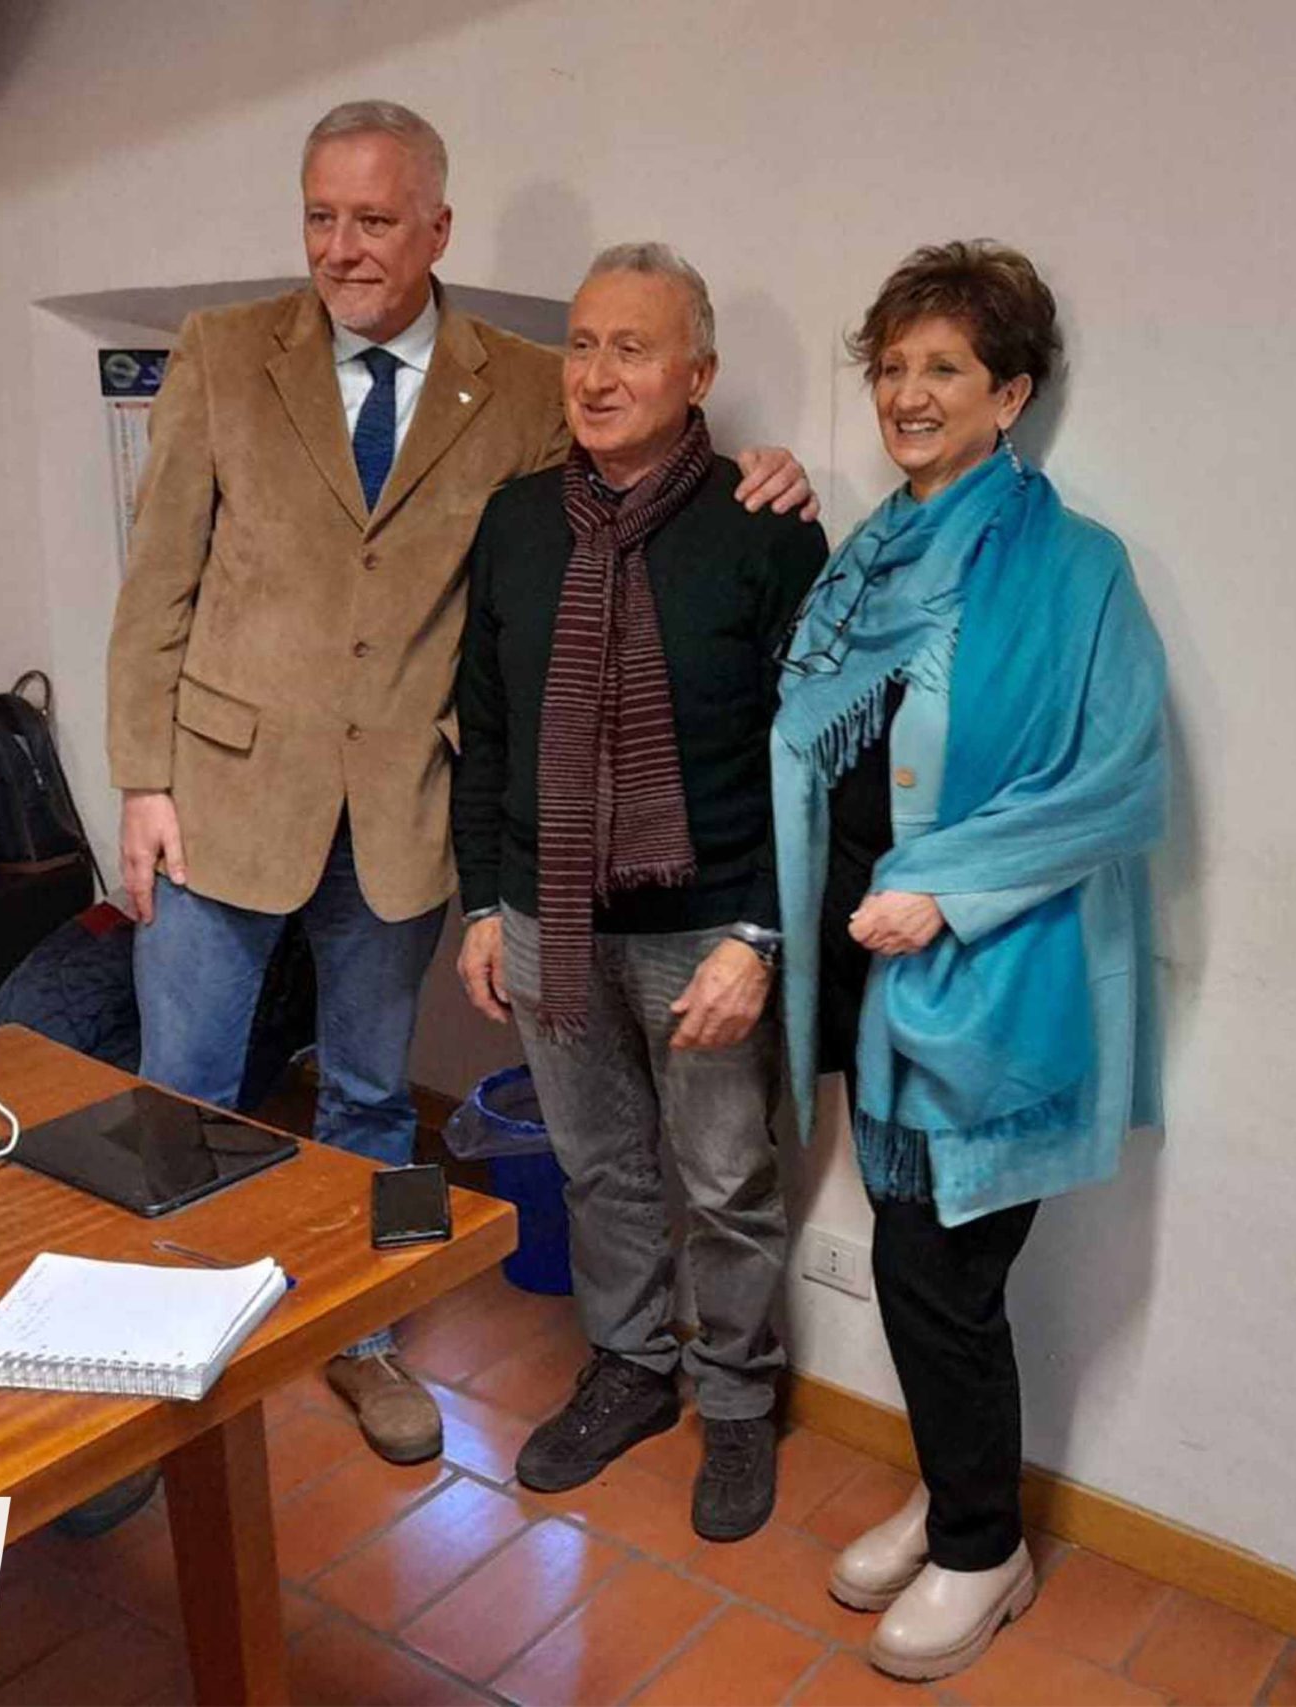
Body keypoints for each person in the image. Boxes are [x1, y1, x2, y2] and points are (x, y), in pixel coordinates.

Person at [106, 99, 811, 1467]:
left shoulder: (527, 383)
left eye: (373, 219)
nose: (342, 246)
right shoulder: (221, 353)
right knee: (182, 1088)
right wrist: (142, 776)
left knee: (373, 1097)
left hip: (398, 814)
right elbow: (157, 582)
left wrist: (766, 466)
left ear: (436, 227)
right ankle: (153, 1357)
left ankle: (361, 1336)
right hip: (218, 795)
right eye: (320, 216)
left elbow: (635, 471)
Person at [771, 241, 1168, 1681]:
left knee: (939, 1269)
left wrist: (943, 887)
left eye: (944, 367)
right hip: (873, 975)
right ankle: (955, 1494)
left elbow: (1118, 778)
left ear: (1010, 394)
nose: (908, 393)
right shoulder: (866, 555)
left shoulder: (1075, 567)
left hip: (994, 980)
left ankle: (985, 1545)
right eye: (891, 366)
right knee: (913, 1258)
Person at [452, 243, 825, 1540]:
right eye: (582, 344)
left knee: (726, 1182)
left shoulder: (766, 529)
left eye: (633, 347)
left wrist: (760, 934)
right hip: (548, 916)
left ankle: (737, 1399)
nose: (597, 374)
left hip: (708, 926)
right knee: (596, 1165)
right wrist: (482, 904)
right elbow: (484, 730)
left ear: (697, 374)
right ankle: (629, 1366)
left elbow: (810, 758)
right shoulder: (514, 523)